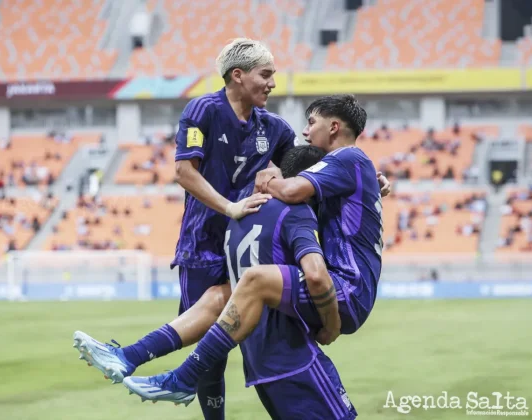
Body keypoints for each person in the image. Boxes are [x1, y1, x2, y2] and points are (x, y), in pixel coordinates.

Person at [73, 60, 390, 416]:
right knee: (222, 295)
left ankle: (184, 377)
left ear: (334, 127)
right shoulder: (348, 168)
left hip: (346, 288)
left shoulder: (348, 158)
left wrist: (265, 179)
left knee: (251, 281)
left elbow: (291, 188)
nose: (304, 132)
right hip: (331, 293)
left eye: (311, 123)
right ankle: (128, 356)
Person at [123, 145, 357, 419]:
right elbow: (316, 275)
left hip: (257, 360)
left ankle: (143, 360)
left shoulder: (242, 215)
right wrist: (332, 325)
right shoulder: (296, 212)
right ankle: (181, 375)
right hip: (293, 354)